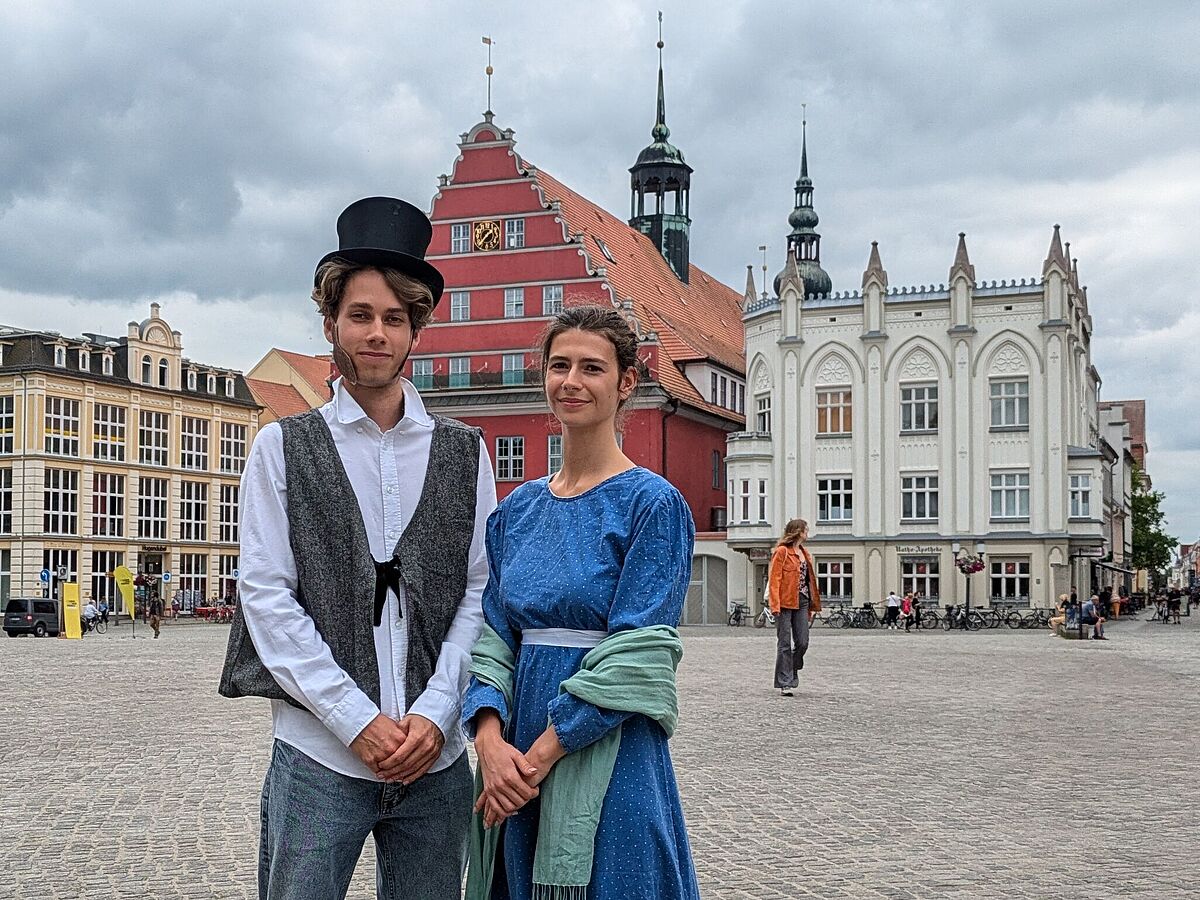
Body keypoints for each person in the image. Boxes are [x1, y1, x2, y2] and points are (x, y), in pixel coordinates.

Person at [218, 197, 496, 900]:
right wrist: (357, 720)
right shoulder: (282, 448)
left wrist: (435, 715)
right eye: (362, 315)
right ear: (331, 322)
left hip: (435, 765)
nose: (378, 333)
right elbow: (266, 596)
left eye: (395, 319)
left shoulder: (465, 453)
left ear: (416, 332)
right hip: (319, 756)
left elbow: (478, 592)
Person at [462, 305, 700, 900]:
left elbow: (636, 656)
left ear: (626, 383)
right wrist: (491, 744)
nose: (571, 381)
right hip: (513, 756)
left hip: (607, 753)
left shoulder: (653, 506)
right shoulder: (515, 511)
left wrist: (538, 759)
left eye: (591, 368)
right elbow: (494, 636)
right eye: (559, 365)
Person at [767, 518, 822, 697]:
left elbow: (809, 581)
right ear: (798, 531)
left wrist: (812, 605)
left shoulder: (805, 553)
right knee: (784, 643)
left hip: (803, 601)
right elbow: (774, 580)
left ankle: (791, 668)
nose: (808, 533)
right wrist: (774, 604)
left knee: (803, 642)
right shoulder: (781, 552)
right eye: (806, 529)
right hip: (784, 601)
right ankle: (785, 682)